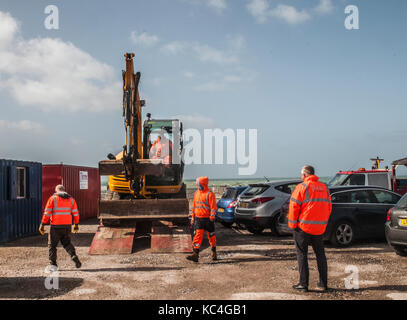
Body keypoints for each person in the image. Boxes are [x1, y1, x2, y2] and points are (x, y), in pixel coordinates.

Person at [288, 165, 332, 292]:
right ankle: (323, 284)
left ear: (304, 175)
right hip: (319, 229)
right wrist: (323, 223)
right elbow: (329, 207)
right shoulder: (324, 188)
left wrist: (292, 225)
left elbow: (294, 207)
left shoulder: (301, 187)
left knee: (302, 254)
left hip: (303, 228)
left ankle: (303, 284)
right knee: (320, 255)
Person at [39, 184, 82, 269]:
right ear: (64, 190)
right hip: (67, 226)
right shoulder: (71, 200)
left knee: (52, 246)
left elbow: (47, 213)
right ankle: (73, 256)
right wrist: (76, 224)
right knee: (67, 243)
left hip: (55, 226)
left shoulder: (52, 199)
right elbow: (76, 214)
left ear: (56, 191)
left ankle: (53, 264)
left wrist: (42, 224)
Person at [186, 177, 218, 263]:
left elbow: (213, 208)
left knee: (211, 236)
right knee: (197, 236)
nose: (196, 185)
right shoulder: (196, 193)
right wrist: (193, 217)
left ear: (202, 184)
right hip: (198, 219)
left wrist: (211, 218)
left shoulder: (210, 194)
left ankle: (214, 252)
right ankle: (195, 255)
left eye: (198, 184)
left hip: (208, 220)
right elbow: (194, 207)